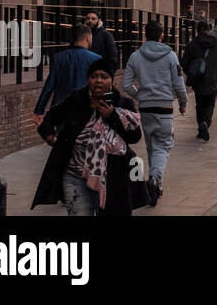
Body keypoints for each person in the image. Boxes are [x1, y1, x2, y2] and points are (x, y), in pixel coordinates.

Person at [31, 59, 147, 216]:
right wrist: (48, 135)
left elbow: (135, 137)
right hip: (75, 176)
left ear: (111, 81)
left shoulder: (123, 104)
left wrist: (112, 116)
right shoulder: (76, 99)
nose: (98, 80)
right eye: (93, 76)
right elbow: (50, 117)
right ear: (88, 79)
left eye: (104, 76)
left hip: (111, 178)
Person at [121, 20, 187, 206]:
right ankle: (154, 180)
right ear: (161, 36)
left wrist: (140, 95)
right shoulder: (171, 56)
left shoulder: (135, 56)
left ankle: (156, 189)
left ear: (144, 35)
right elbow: (178, 83)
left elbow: (126, 85)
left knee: (152, 146)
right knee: (163, 146)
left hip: (145, 108)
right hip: (164, 108)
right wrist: (183, 102)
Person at [34, 24, 100, 122]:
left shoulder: (58, 58)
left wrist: (39, 111)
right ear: (87, 37)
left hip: (60, 110)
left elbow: (49, 86)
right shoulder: (96, 59)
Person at [181, 20, 217, 141]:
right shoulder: (216, 43)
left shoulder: (192, 44)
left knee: (199, 105)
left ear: (197, 30)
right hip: (211, 79)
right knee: (210, 104)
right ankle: (206, 122)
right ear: (208, 29)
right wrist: (216, 76)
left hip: (198, 80)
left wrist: (191, 74)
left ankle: (201, 125)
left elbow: (184, 62)